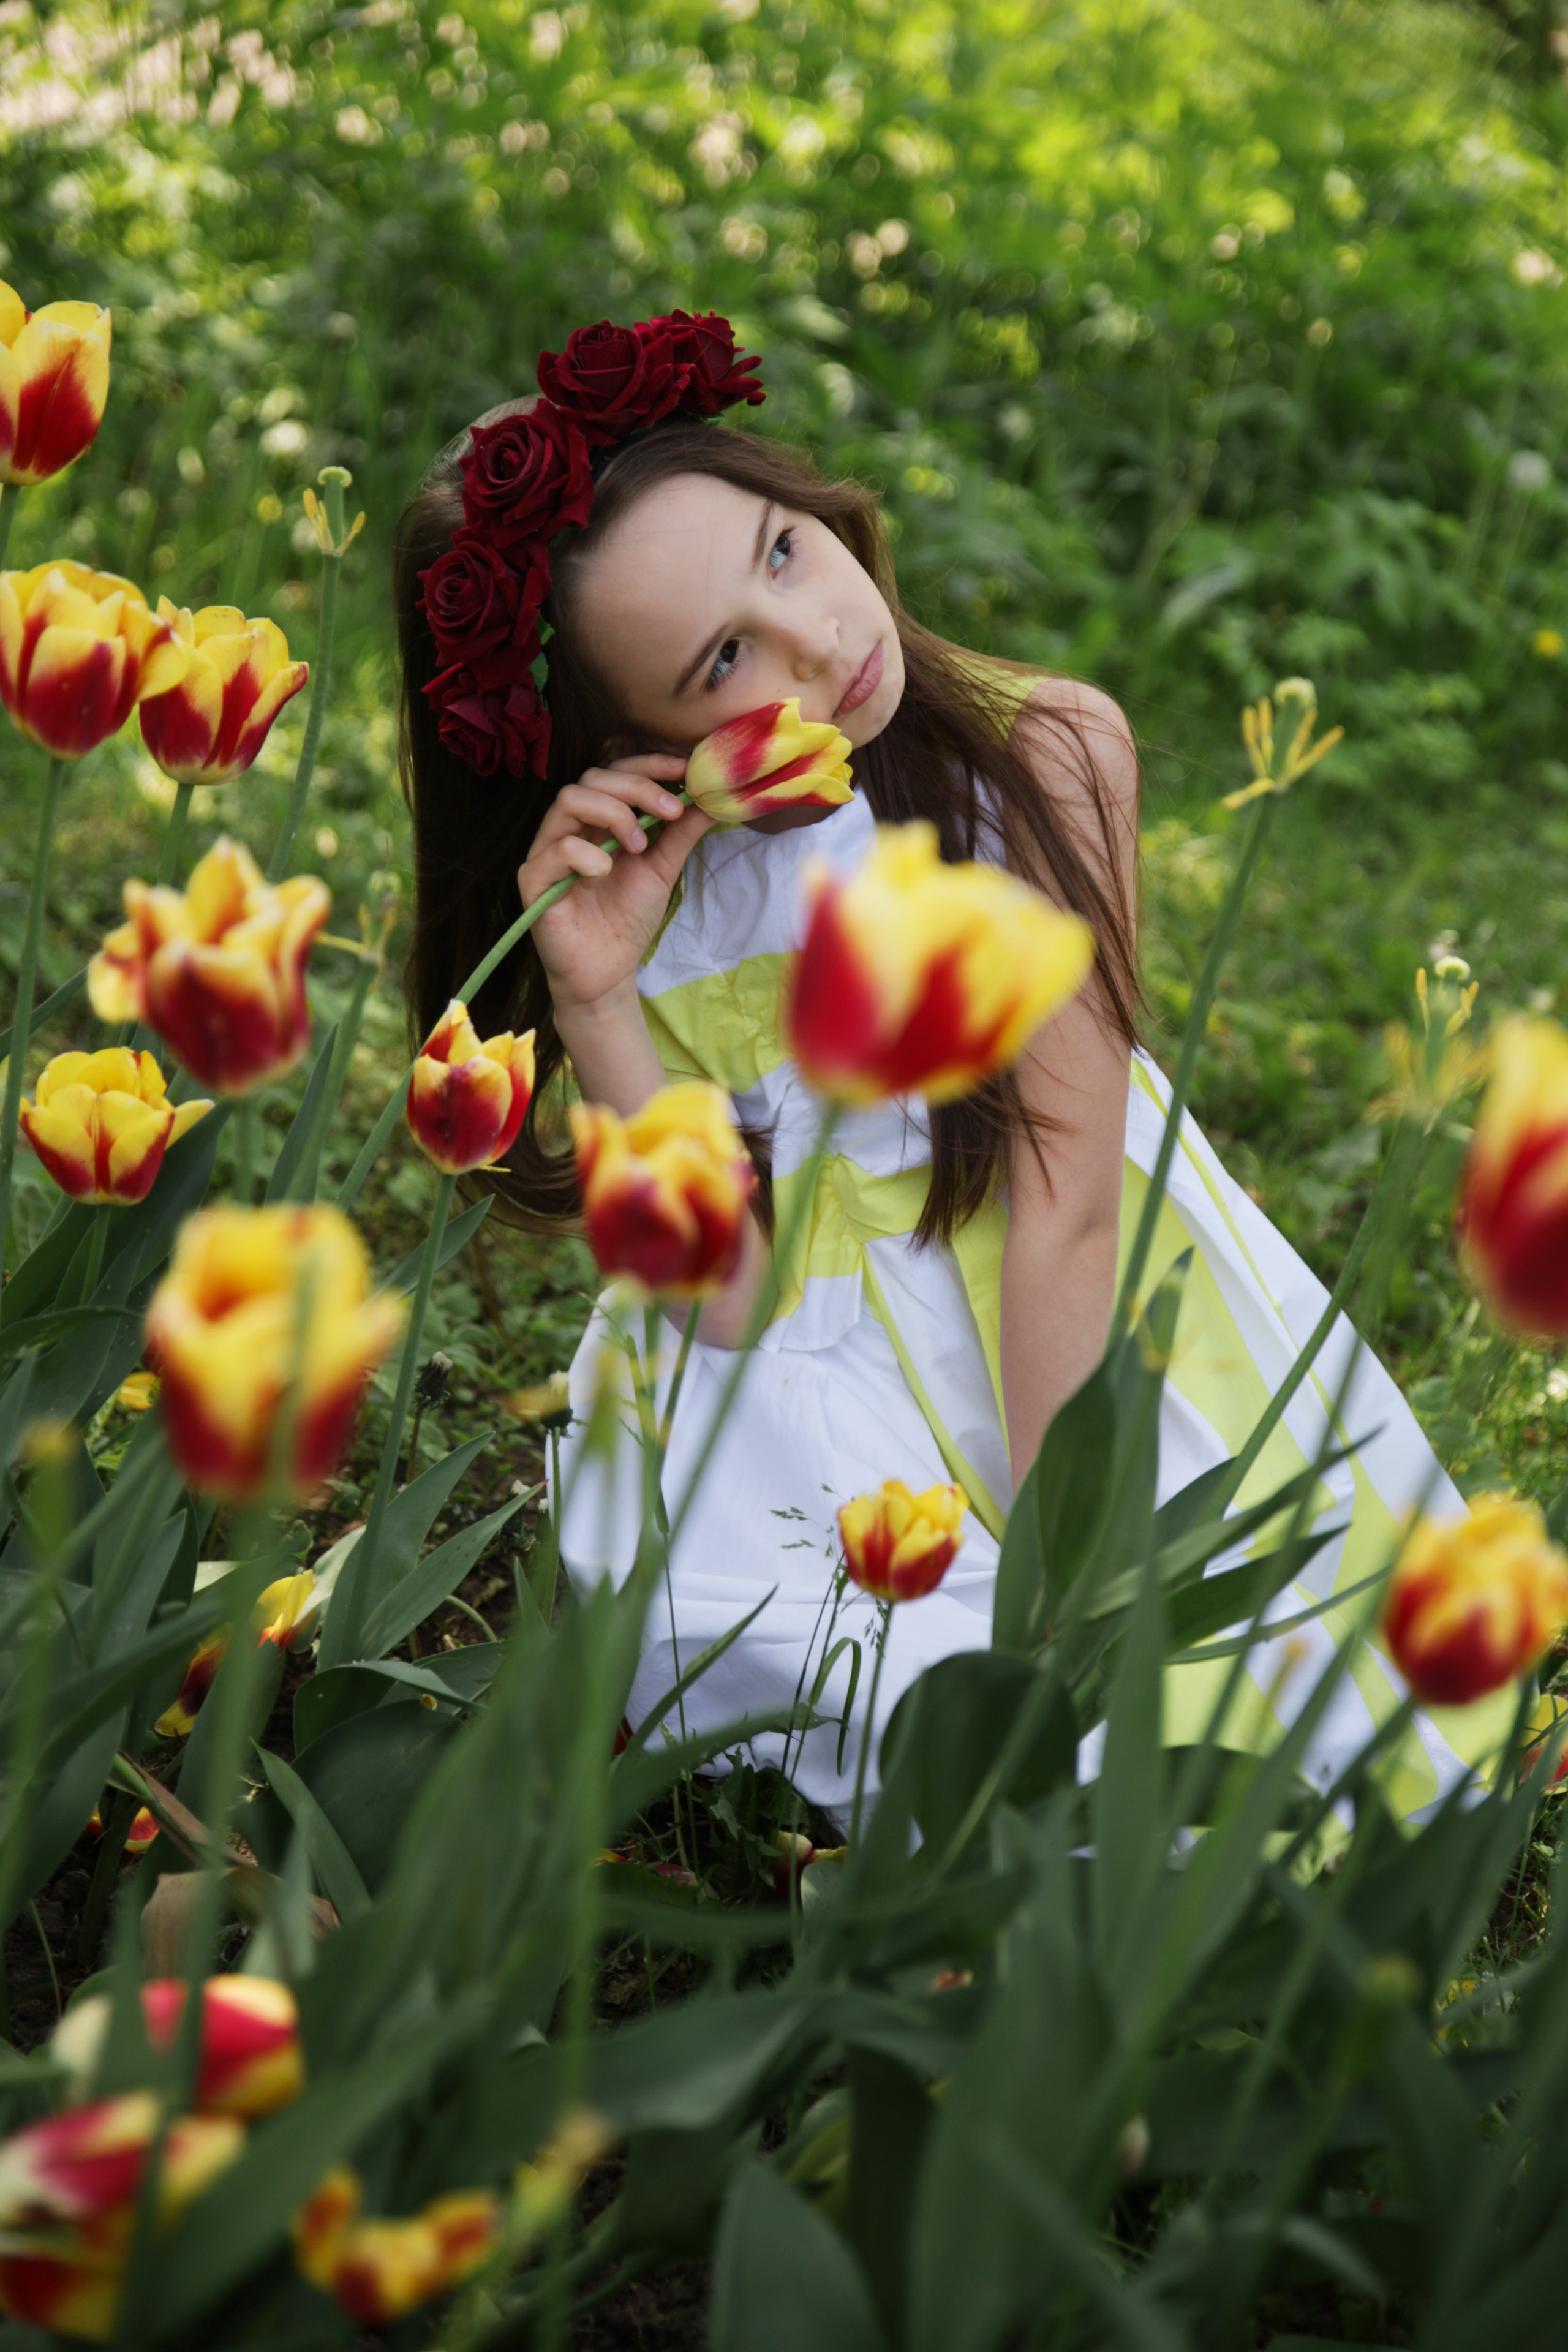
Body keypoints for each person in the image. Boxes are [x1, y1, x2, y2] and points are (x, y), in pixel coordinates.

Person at [393, 311, 1504, 1826]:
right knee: (831, 1686)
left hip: (1064, 1343)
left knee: (1162, 1737)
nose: (814, 643)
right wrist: (596, 998)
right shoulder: (656, 909)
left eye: (783, 553)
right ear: (629, 744)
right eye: (724, 659)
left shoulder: (1039, 757)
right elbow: (725, 1310)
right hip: (802, 1384)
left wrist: (1062, 1610)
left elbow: (1063, 1211)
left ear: (816, 506)